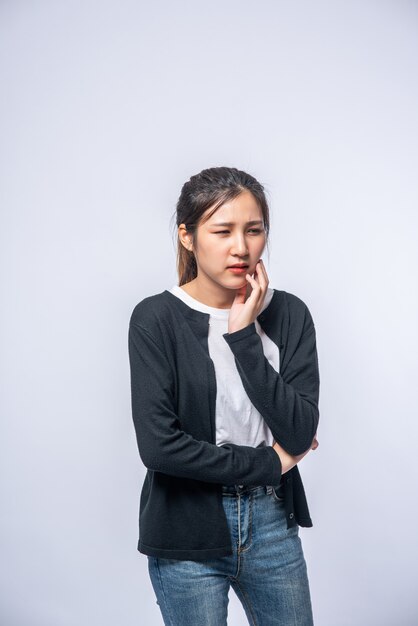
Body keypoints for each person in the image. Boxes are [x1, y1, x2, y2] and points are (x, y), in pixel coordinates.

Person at [128, 166, 320, 625]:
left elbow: (300, 430)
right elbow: (159, 447)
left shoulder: (289, 314)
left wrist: (242, 338)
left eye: (253, 230)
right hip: (185, 531)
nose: (241, 247)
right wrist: (269, 463)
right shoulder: (155, 320)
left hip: (273, 522)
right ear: (188, 237)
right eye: (222, 230)